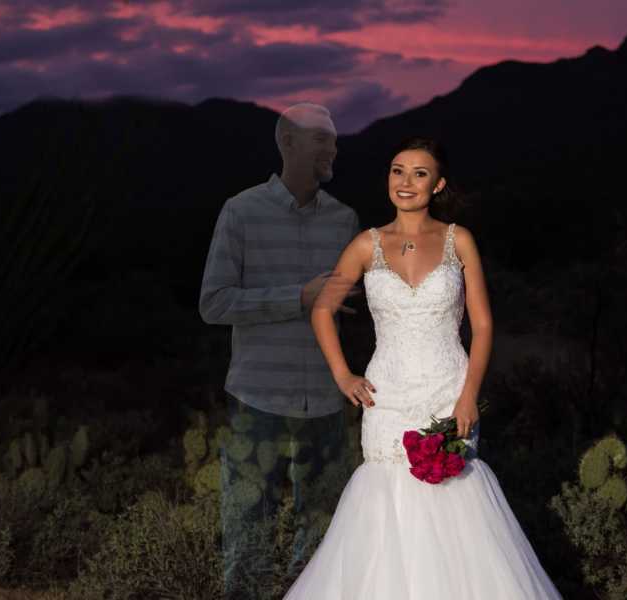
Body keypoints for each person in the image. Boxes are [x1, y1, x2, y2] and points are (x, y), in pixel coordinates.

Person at [282, 136, 564, 598]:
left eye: (419, 173)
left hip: (447, 389)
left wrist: (469, 394)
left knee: (456, 502)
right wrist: (342, 374)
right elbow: (321, 310)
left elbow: (484, 325)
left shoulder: (459, 241)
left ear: (438, 184)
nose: (406, 181)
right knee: (384, 503)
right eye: (397, 170)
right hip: (387, 395)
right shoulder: (365, 245)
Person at [198, 102, 362, 598]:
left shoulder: (344, 219)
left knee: (323, 538)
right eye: (321, 139)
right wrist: (298, 297)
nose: (333, 148)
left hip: (327, 401)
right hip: (258, 399)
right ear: (287, 142)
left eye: (335, 139)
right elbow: (214, 302)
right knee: (248, 534)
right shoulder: (241, 211)